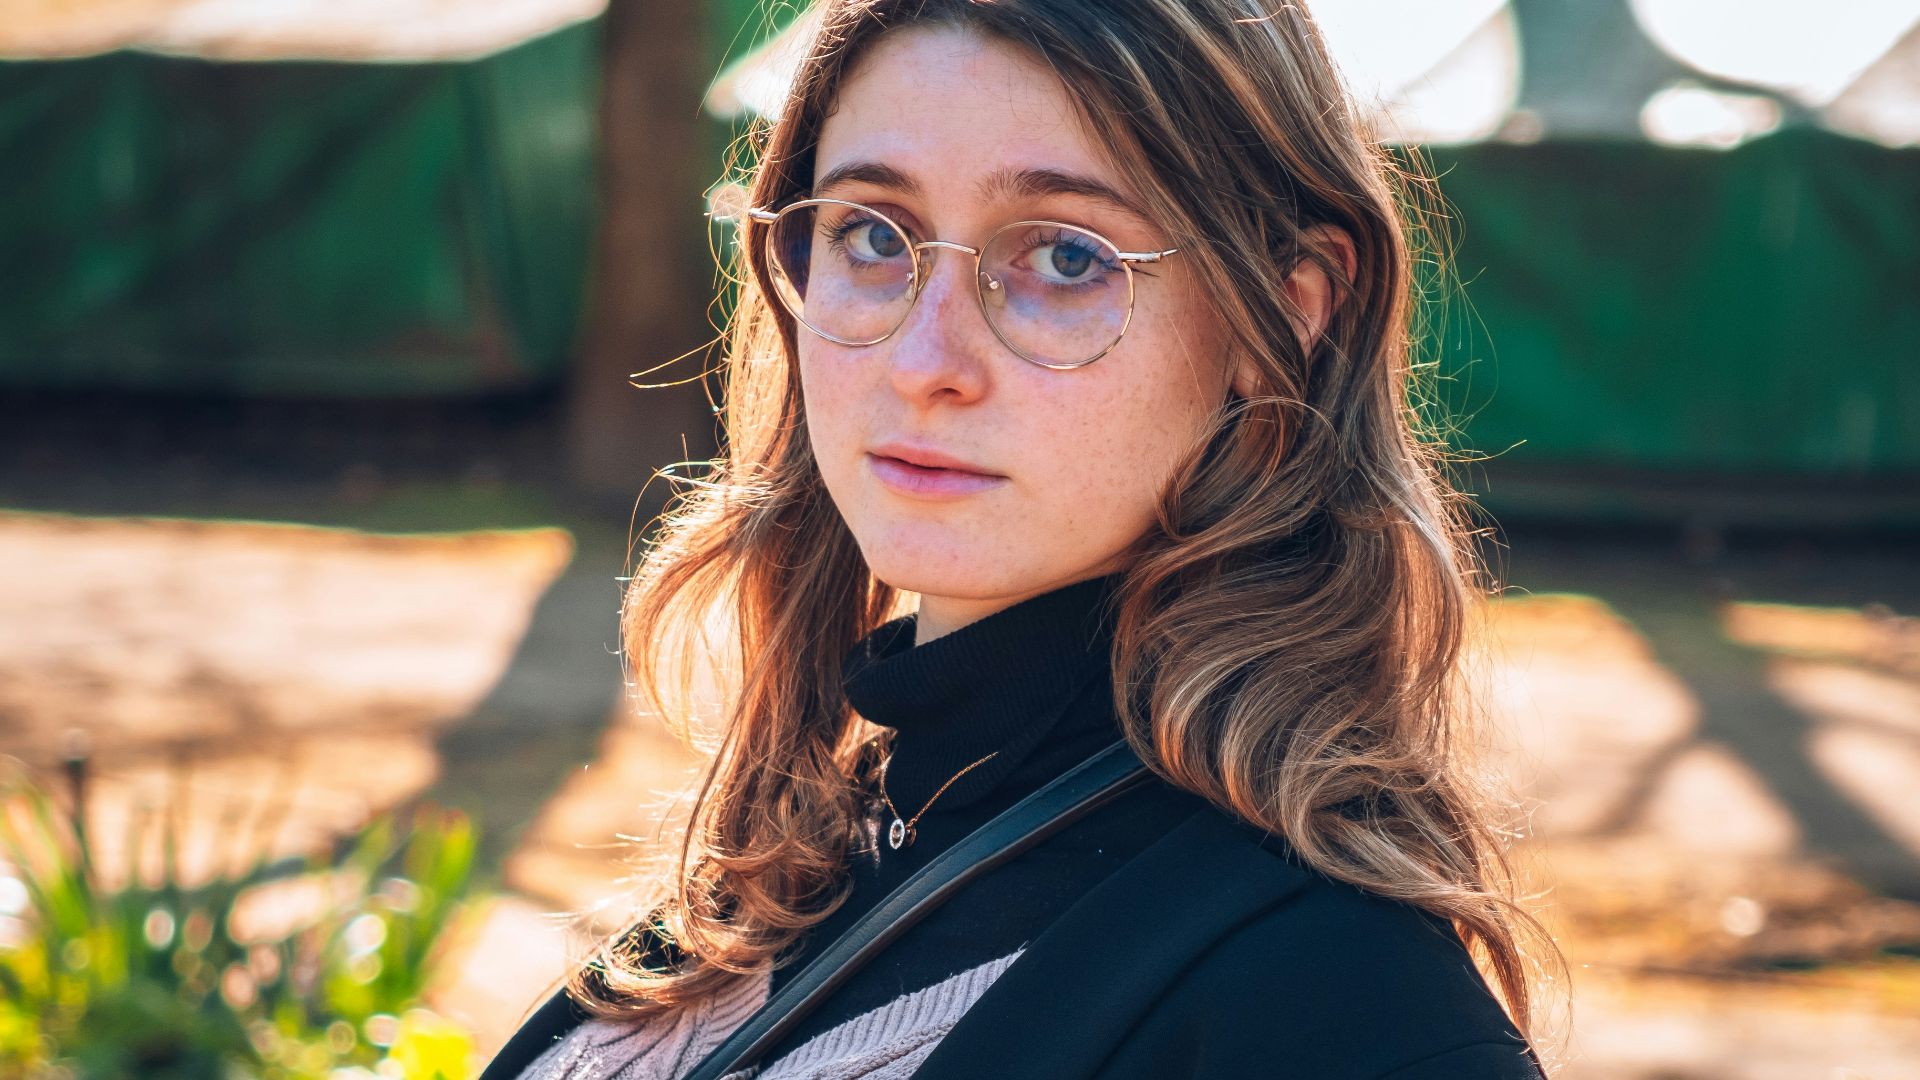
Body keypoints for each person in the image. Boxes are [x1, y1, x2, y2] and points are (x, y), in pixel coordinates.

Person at [483, 0, 1566, 1076]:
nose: (925, 359)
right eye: (871, 234)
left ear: (1281, 317)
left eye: (1064, 258)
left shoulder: (1340, 1001)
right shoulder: (807, 850)